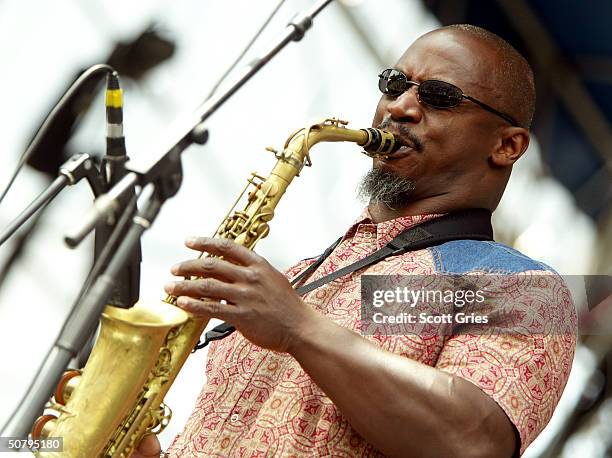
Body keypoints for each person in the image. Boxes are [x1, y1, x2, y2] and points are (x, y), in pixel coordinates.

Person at [134, 24, 576, 457]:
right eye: (394, 83)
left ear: (508, 145)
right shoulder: (293, 280)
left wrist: (297, 327)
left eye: (439, 97)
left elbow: (473, 443)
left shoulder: (520, 289)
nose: (400, 106)